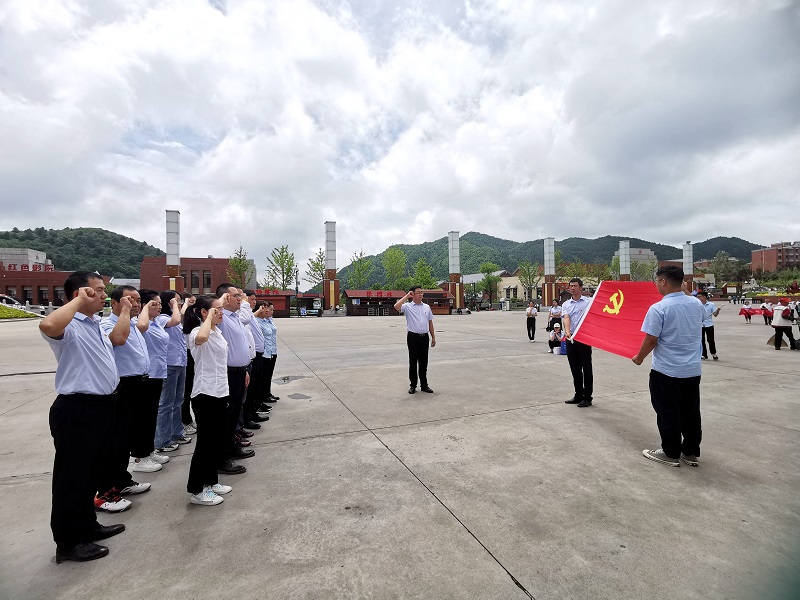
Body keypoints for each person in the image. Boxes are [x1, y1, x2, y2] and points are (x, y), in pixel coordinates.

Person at [40, 271, 125, 563]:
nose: (103, 295)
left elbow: (119, 340)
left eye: (103, 290)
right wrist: (78, 302)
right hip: (78, 410)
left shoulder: (95, 325)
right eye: (97, 291)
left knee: (90, 475)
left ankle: (87, 525)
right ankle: (68, 541)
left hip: (101, 408)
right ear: (78, 294)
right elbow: (47, 324)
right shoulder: (69, 325)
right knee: (71, 479)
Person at [632, 266, 704, 467]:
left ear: (663, 282)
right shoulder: (696, 305)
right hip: (692, 370)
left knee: (667, 411)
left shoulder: (659, 308)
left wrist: (639, 358)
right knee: (691, 411)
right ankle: (690, 451)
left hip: (667, 370)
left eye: (657, 280)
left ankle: (670, 452)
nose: (656, 284)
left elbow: (651, 339)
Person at [95, 286, 153, 515]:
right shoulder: (108, 324)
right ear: (115, 303)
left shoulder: (133, 322)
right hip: (123, 386)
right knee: (116, 440)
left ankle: (122, 480)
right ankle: (106, 490)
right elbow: (118, 340)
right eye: (131, 300)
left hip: (138, 384)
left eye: (138, 300)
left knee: (128, 438)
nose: (136, 304)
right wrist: (126, 313)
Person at [185, 295, 233, 505]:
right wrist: (208, 318)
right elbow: (201, 339)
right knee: (205, 443)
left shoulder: (218, 331)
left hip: (220, 391)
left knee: (215, 440)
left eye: (221, 309)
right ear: (204, 313)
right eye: (217, 310)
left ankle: (211, 481)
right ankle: (197, 489)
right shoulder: (198, 331)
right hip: (205, 394)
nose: (221, 313)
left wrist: (219, 302)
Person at [215, 284, 255, 470]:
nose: (240, 298)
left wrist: (245, 369)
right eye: (236, 295)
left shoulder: (235, 318)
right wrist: (221, 303)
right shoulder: (221, 318)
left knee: (234, 414)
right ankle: (222, 457)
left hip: (239, 372)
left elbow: (241, 346)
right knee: (226, 417)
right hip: (228, 373)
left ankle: (232, 446)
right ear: (225, 298)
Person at [154, 291, 191, 455]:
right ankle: (162, 440)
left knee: (178, 401)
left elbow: (180, 317)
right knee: (166, 404)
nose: (179, 302)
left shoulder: (172, 316)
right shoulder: (162, 318)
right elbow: (176, 319)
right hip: (170, 365)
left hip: (180, 363)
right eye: (175, 300)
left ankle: (176, 433)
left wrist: (184, 305)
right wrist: (176, 305)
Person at [394, 286, 436, 394]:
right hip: (413, 337)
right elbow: (396, 306)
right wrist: (407, 296)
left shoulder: (426, 307)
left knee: (423, 362)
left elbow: (430, 323)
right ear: (413, 294)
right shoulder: (407, 306)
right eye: (418, 293)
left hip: (424, 337)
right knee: (413, 362)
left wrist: (433, 337)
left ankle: (424, 385)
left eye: (422, 292)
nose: (421, 294)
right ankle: (413, 385)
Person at [562, 278, 593, 407]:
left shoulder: (589, 302)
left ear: (581, 287)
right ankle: (578, 394)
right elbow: (566, 318)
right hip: (571, 338)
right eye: (571, 286)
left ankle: (587, 397)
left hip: (584, 339)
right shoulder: (566, 304)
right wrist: (567, 332)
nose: (572, 288)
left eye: (575, 286)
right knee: (575, 369)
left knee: (586, 369)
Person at [258, 301, 280, 403]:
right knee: (264, 376)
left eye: (271, 309)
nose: (271, 311)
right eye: (269, 309)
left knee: (269, 375)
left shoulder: (269, 320)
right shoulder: (258, 322)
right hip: (265, 353)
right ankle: (263, 396)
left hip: (272, 350)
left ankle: (268, 393)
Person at [697, 291, 721, 360]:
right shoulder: (697, 305)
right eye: (697, 297)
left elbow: (715, 315)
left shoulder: (711, 305)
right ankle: (704, 354)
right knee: (701, 341)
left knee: (710, 340)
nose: (698, 298)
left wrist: (718, 311)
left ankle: (713, 353)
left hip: (709, 325)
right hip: (700, 325)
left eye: (699, 296)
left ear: (704, 297)